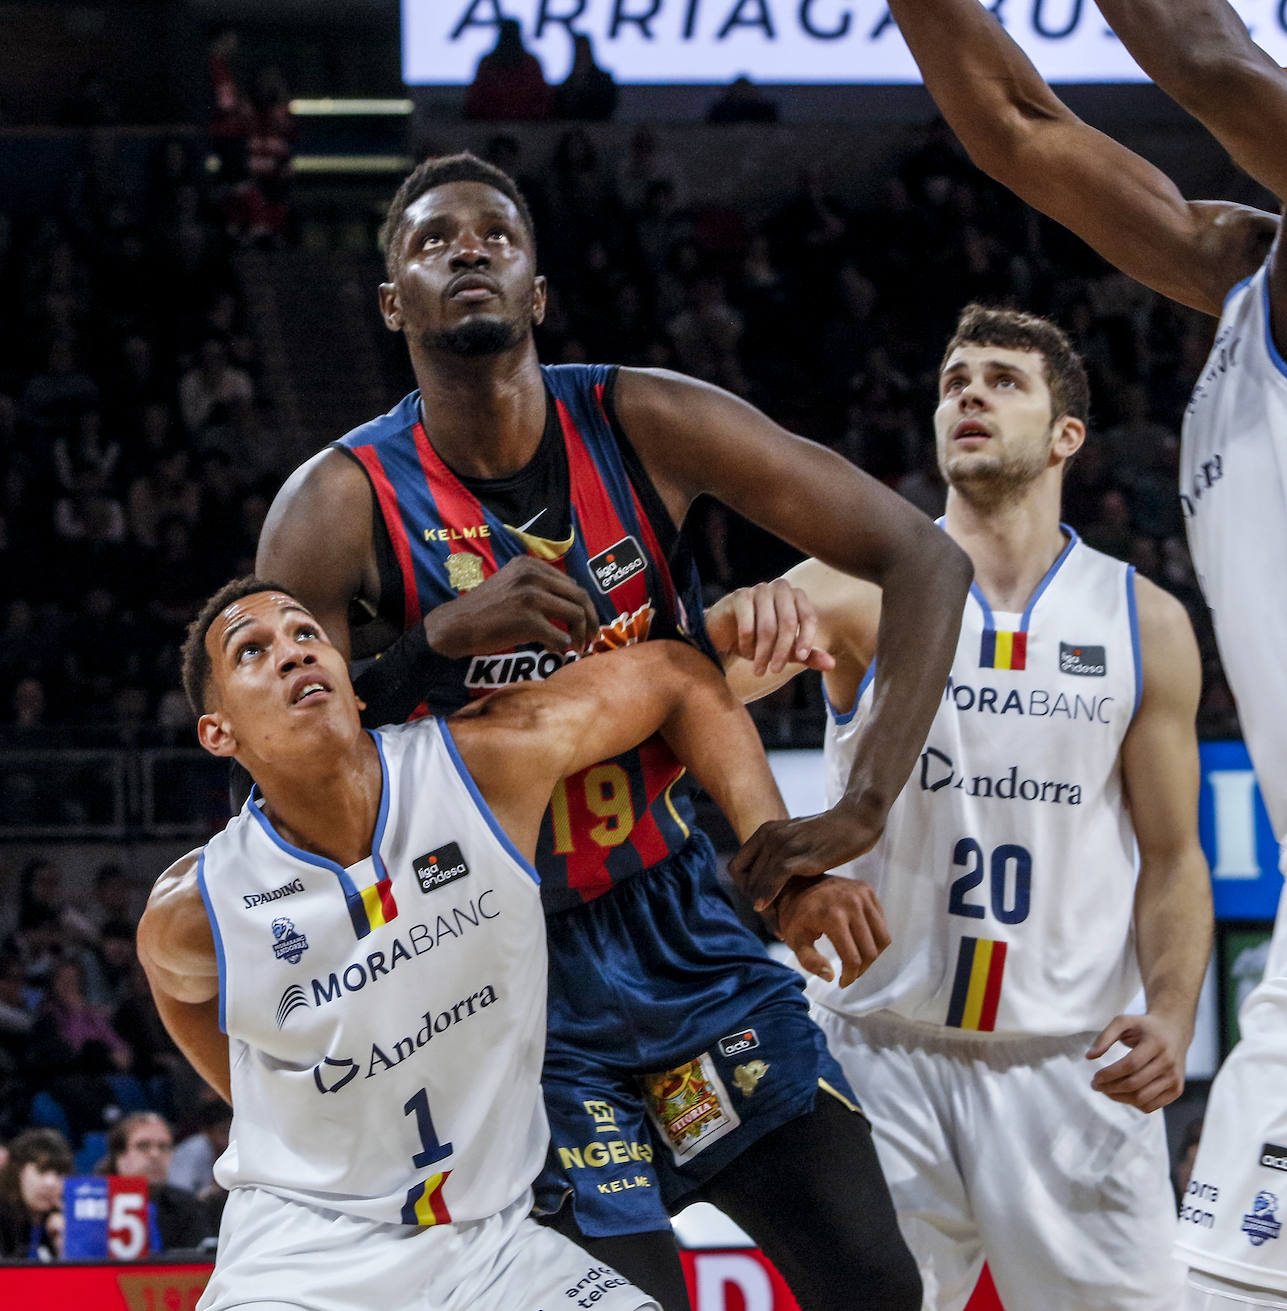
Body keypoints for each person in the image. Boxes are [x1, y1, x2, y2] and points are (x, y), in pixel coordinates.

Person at [256, 151, 971, 1309]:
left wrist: (859, 809)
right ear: (395, 305)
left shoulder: (644, 418)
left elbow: (924, 556)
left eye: (496, 232)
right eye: (433, 241)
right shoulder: (335, 505)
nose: (469, 248)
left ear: (538, 288)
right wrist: (432, 644)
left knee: (879, 1287)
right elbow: (290, 775)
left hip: (681, 918)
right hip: (502, 975)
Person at [884, 4, 1287, 1308]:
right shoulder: (1239, 273)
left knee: (1219, 1281)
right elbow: (1013, 125)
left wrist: (1256, 77)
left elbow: (1204, 60)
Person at [720, 305, 1213, 1310]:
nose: (970, 395)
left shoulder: (1143, 621)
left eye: (1002, 380)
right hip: (879, 1050)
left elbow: (1173, 858)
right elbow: (699, 689)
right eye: (954, 381)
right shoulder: (854, 587)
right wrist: (737, 620)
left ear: (1067, 435)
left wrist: (1171, 1011)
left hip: (1068, 1067)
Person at [138, 577, 810, 1311]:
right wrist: (261, 1114)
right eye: (253, 651)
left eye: (307, 635)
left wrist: (787, 858)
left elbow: (674, 674)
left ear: (354, 688)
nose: (294, 655)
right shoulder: (200, 905)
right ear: (218, 732)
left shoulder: (481, 768)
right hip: (301, 1252)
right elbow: (174, 980)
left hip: (492, 1245)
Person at [103, 1112, 212, 1252]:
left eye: (163, 1147)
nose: (155, 1155)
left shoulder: (189, 1206)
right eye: (143, 1146)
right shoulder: (94, 1203)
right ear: (120, 1157)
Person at [0, 1127, 71, 1261]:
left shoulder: (64, 1224)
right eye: (41, 1171)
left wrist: (68, 1248)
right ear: (18, 1172)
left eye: (59, 1174)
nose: (50, 1183)